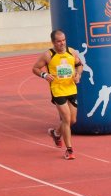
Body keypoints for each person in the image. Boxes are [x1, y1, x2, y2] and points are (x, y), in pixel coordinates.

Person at [32, 29, 83, 160]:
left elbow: (79, 65)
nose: (62, 43)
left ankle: (55, 133)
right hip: (58, 90)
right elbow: (35, 68)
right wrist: (44, 74)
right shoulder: (48, 55)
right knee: (66, 119)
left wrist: (78, 74)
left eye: (64, 40)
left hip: (71, 89)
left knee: (72, 120)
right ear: (53, 42)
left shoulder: (71, 52)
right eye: (59, 41)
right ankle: (69, 150)